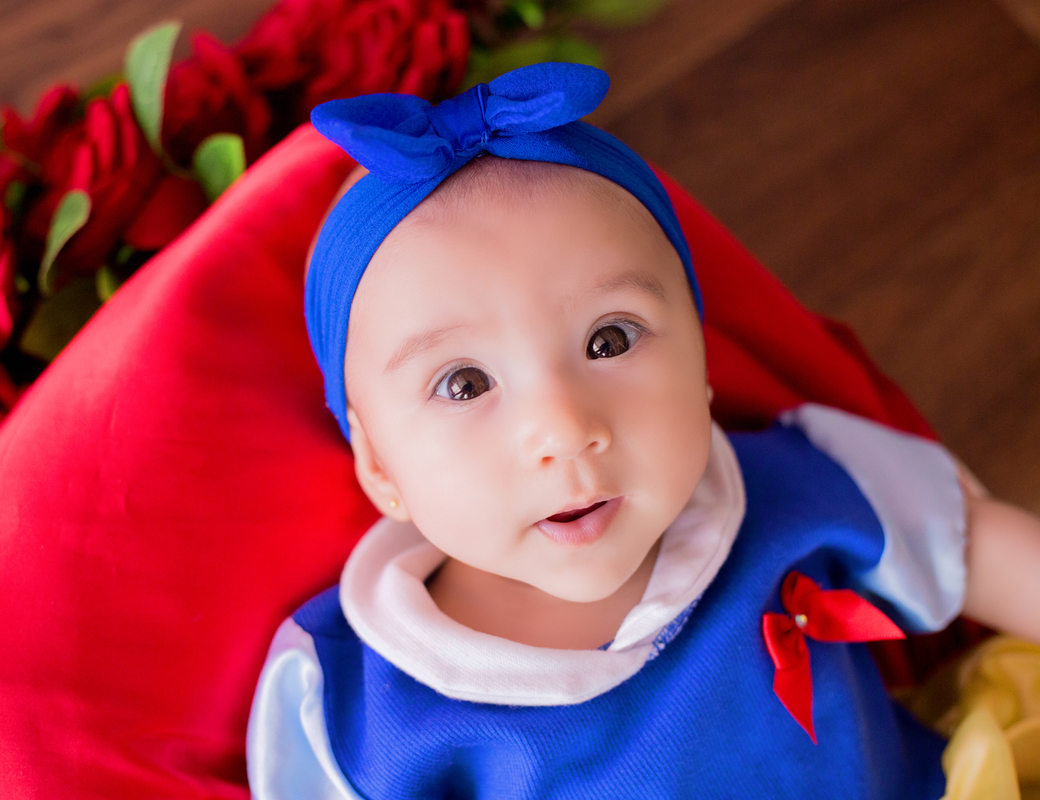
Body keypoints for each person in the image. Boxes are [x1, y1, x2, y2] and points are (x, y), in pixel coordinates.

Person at [244, 62, 1040, 799]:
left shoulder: (794, 486)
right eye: (465, 384)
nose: (564, 429)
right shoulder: (358, 710)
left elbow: (978, 547)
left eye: (610, 340)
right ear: (380, 467)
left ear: (699, 364)